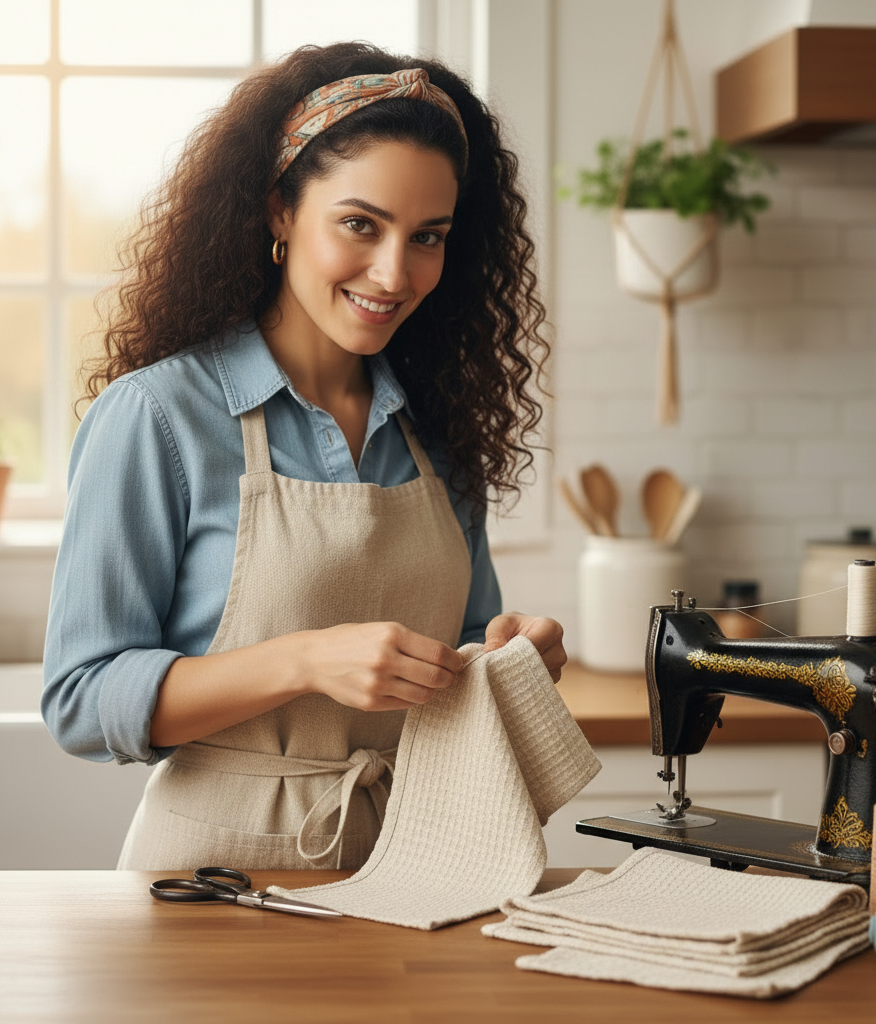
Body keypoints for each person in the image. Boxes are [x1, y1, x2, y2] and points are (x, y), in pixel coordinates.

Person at [42, 41, 564, 871]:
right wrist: (306, 660)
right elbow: (80, 701)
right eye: (360, 224)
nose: (393, 273)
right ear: (280, 212)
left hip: (417, 864)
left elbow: (460, 649)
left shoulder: (438, 431)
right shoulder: (158, 417)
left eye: (428, 236)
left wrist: (508, 657)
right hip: (211, 883)